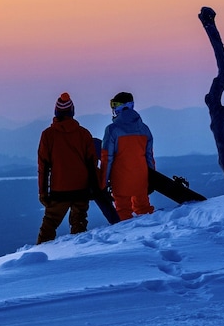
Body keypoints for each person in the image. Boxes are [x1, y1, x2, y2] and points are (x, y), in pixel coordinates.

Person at [37, 92, 98, 244]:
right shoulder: (84, 134)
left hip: (59, 189)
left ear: (56, 112)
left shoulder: (48, 135)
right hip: (81, 188)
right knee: (79, 226)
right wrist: (93, 187)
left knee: (49, 226)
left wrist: (43, 193)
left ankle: (38, 259)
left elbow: (43, 166)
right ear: (72, 112)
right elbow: (92, 163)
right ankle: (78, 258)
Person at [100, 91, 155, 220]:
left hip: (120, 180)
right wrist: (152, 179)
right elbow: (149, 157)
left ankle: (126, 238)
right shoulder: (144, 128)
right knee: (144, 210)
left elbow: (107, 158)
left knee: (122, 213)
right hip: (141, 178)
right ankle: (149, 234)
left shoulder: (112, 130)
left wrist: (103, 183)